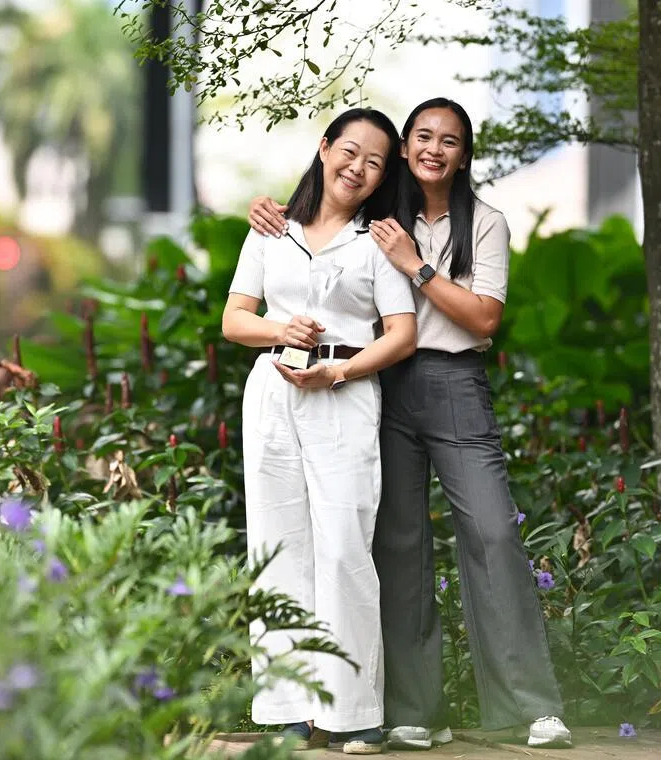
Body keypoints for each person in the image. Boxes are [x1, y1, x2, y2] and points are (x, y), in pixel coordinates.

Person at [246, 97, 573, 750]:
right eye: (422, 136)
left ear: (465, 155)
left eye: (449, 141)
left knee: (491, 532)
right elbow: (315, 227)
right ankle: (415, 709)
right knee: (395, 544)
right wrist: (267, 210)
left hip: (453, 382)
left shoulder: (485, 222)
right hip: (383, 384)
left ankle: (532, 705)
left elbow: (483, 317)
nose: (433, 149)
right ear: (404, 148)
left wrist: (415, 265)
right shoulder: (378, 208)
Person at [222, 107, 418, 755]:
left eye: (375, 162)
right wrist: (282, 330)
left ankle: (354, 712)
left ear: (383, 177)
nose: (358, 168)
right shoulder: (270, 231)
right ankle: (289, 709)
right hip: (273, 393)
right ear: (325, 147)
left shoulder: (377, 242)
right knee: (279, 545)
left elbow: (402, 334)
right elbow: (234, 320)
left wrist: (340, 372)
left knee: (342, 545)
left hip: (344, 392)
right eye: (350, 151)